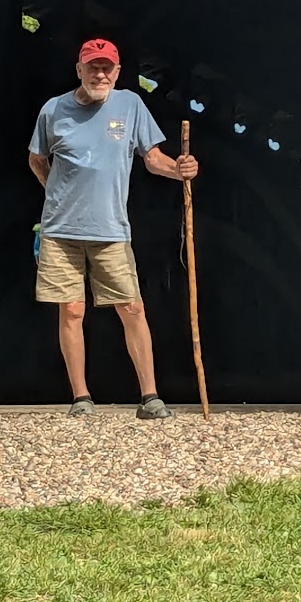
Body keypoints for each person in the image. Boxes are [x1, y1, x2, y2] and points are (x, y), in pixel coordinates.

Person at [27, 37, 199, 418]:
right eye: (92, 66)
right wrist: (55, 194)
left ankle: (150, 397)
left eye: (107, 67)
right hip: (60, 230)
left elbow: (152, 158)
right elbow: (36, 159)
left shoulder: (130, 104)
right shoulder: (54, 110)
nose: (99, 73)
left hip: (111, 229)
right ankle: (81, 398)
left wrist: (179, 169)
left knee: (132, 307)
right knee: (71, 311)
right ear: (79, 70)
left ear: (118, 72)